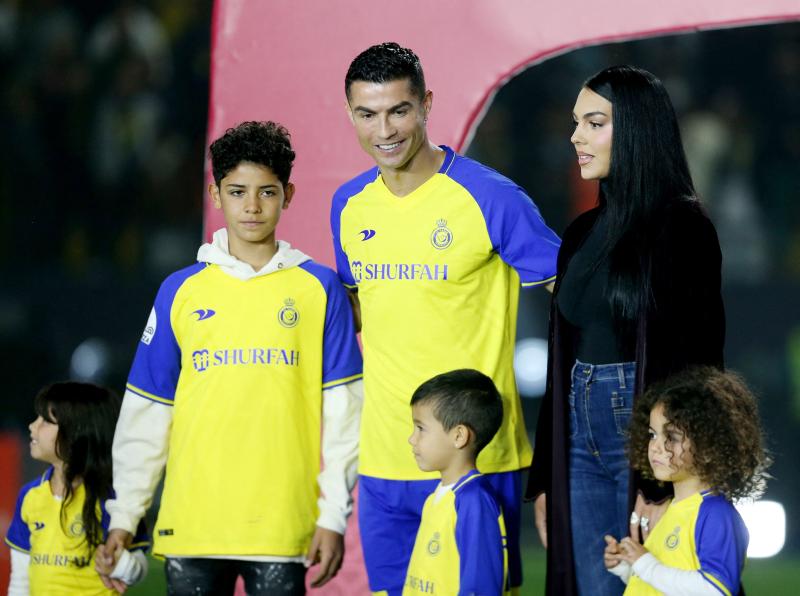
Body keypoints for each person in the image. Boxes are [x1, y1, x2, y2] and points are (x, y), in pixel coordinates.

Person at [331, 41, 560, 595]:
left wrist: (558, 456)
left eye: (398, 110)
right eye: (367, 113)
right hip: (386, 460)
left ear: (427, 104)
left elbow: (574, 301)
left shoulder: (491, 197)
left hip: (479, 457)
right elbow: (358, 311)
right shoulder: (348, 204)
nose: (383, 130)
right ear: (350, 114)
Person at [97, 121, 363, 594]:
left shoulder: (319, 289)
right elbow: (148, 411)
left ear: (289, 195)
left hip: (283, 525)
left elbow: (346, 412)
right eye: (237, 191)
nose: (252, 206)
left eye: (267, 192)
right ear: (216, 195)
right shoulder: (180, 291)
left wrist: (333, 515)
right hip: (193, 523)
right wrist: (125, 515)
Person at [526, 65, 725, 595]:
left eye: (594, 123)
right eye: (576, 123)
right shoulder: (581, 233)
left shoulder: (683, 227)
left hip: (643, 436)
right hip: (576, 435)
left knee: (652, 586)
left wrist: (665, 477)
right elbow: (558, 358)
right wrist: (546, 475)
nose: (575, 137)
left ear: (635, 129)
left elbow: (700, 365)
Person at [604, 367, 770, 595]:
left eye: (671, 437)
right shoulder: (672, 509)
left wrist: (646, 564)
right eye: (653, 434)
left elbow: (715, 590)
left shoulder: (716, 514)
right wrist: (628, 566)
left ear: (709, 447)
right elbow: (665, 582)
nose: (656, 446)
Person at [5, 382, 149, 595]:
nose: (32, 426)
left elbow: (140, 566)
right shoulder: (29, 496)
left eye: (45, 421)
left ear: (77, 433)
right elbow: (20, 579)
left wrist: (120, 565)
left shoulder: (115, 501)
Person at [404, 369, 507, 595]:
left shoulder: (474, 501)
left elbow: (481, 586)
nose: (412, 439)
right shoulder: (436, 498)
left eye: (421, 428)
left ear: (459, 436)